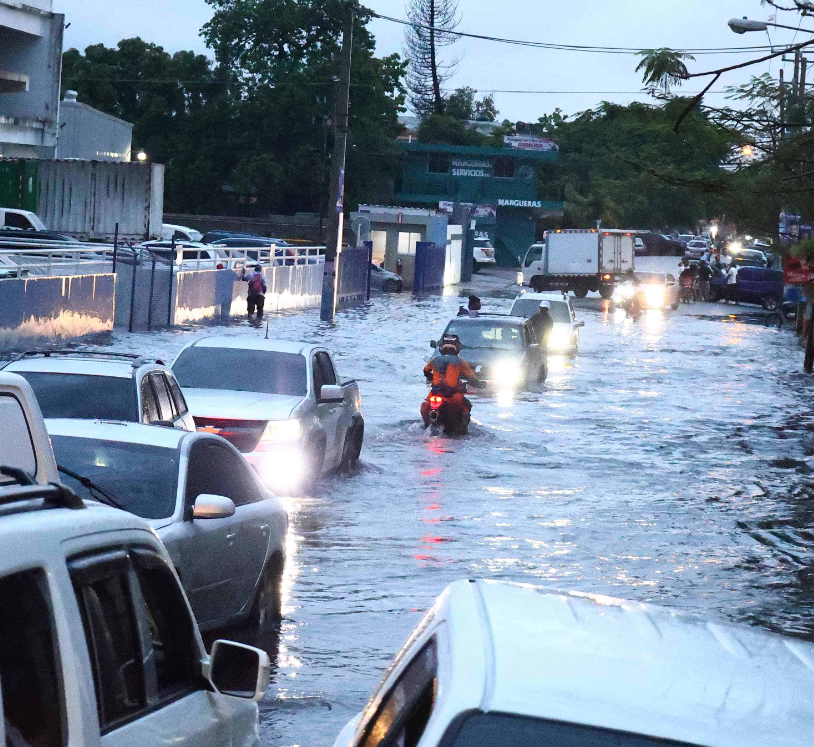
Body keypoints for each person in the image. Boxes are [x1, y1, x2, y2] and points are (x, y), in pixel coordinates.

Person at [421, 334, 479, 427]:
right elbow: (472, 377)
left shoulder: (433, 360)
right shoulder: (460, 361)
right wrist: (478, 383)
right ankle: (463, 430)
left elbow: (426, 371)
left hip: (434, 394)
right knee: (467, 406)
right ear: (457, 349)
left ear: (441, 348)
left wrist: (431, 376)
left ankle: (427, 426)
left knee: (425, 405)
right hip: (453, 396)